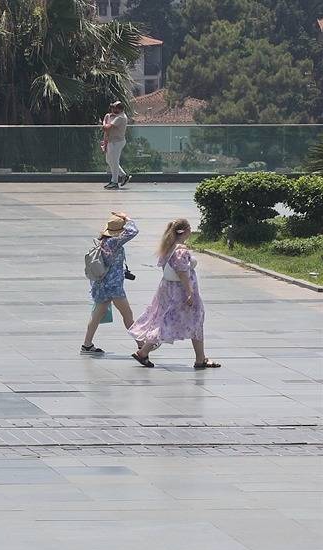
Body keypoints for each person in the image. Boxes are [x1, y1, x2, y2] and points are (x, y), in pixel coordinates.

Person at [129, 218, 221, 369]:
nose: (191, 231)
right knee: (190, 319)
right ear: (184, 231)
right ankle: (144, 352)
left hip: (167, 288)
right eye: (190, 228)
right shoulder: (181, 250)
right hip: (181, 291)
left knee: (165, 319)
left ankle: (200, 358)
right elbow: (182, 272)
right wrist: (190, 292)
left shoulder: (168, 247)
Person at [81, 211, 138, 355]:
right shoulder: (114, 241)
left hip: (101, 285)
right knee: (127, 315)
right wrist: (126, 218)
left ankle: (87, 344)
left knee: (96, 315)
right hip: (113, 286)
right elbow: (134, 231)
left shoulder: (104, 241)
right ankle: (142, 345)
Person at [101, 101, 131, 190]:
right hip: (112, 141)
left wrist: (103, 122)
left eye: (114, 108)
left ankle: (114, 182)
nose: (112, 109)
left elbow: (107, 128)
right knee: (109, 160)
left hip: (117, 142)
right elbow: (107, 130)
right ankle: (124, 176)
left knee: (114, 161)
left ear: (119, 109)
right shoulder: (114, 116)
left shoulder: (120, 118)